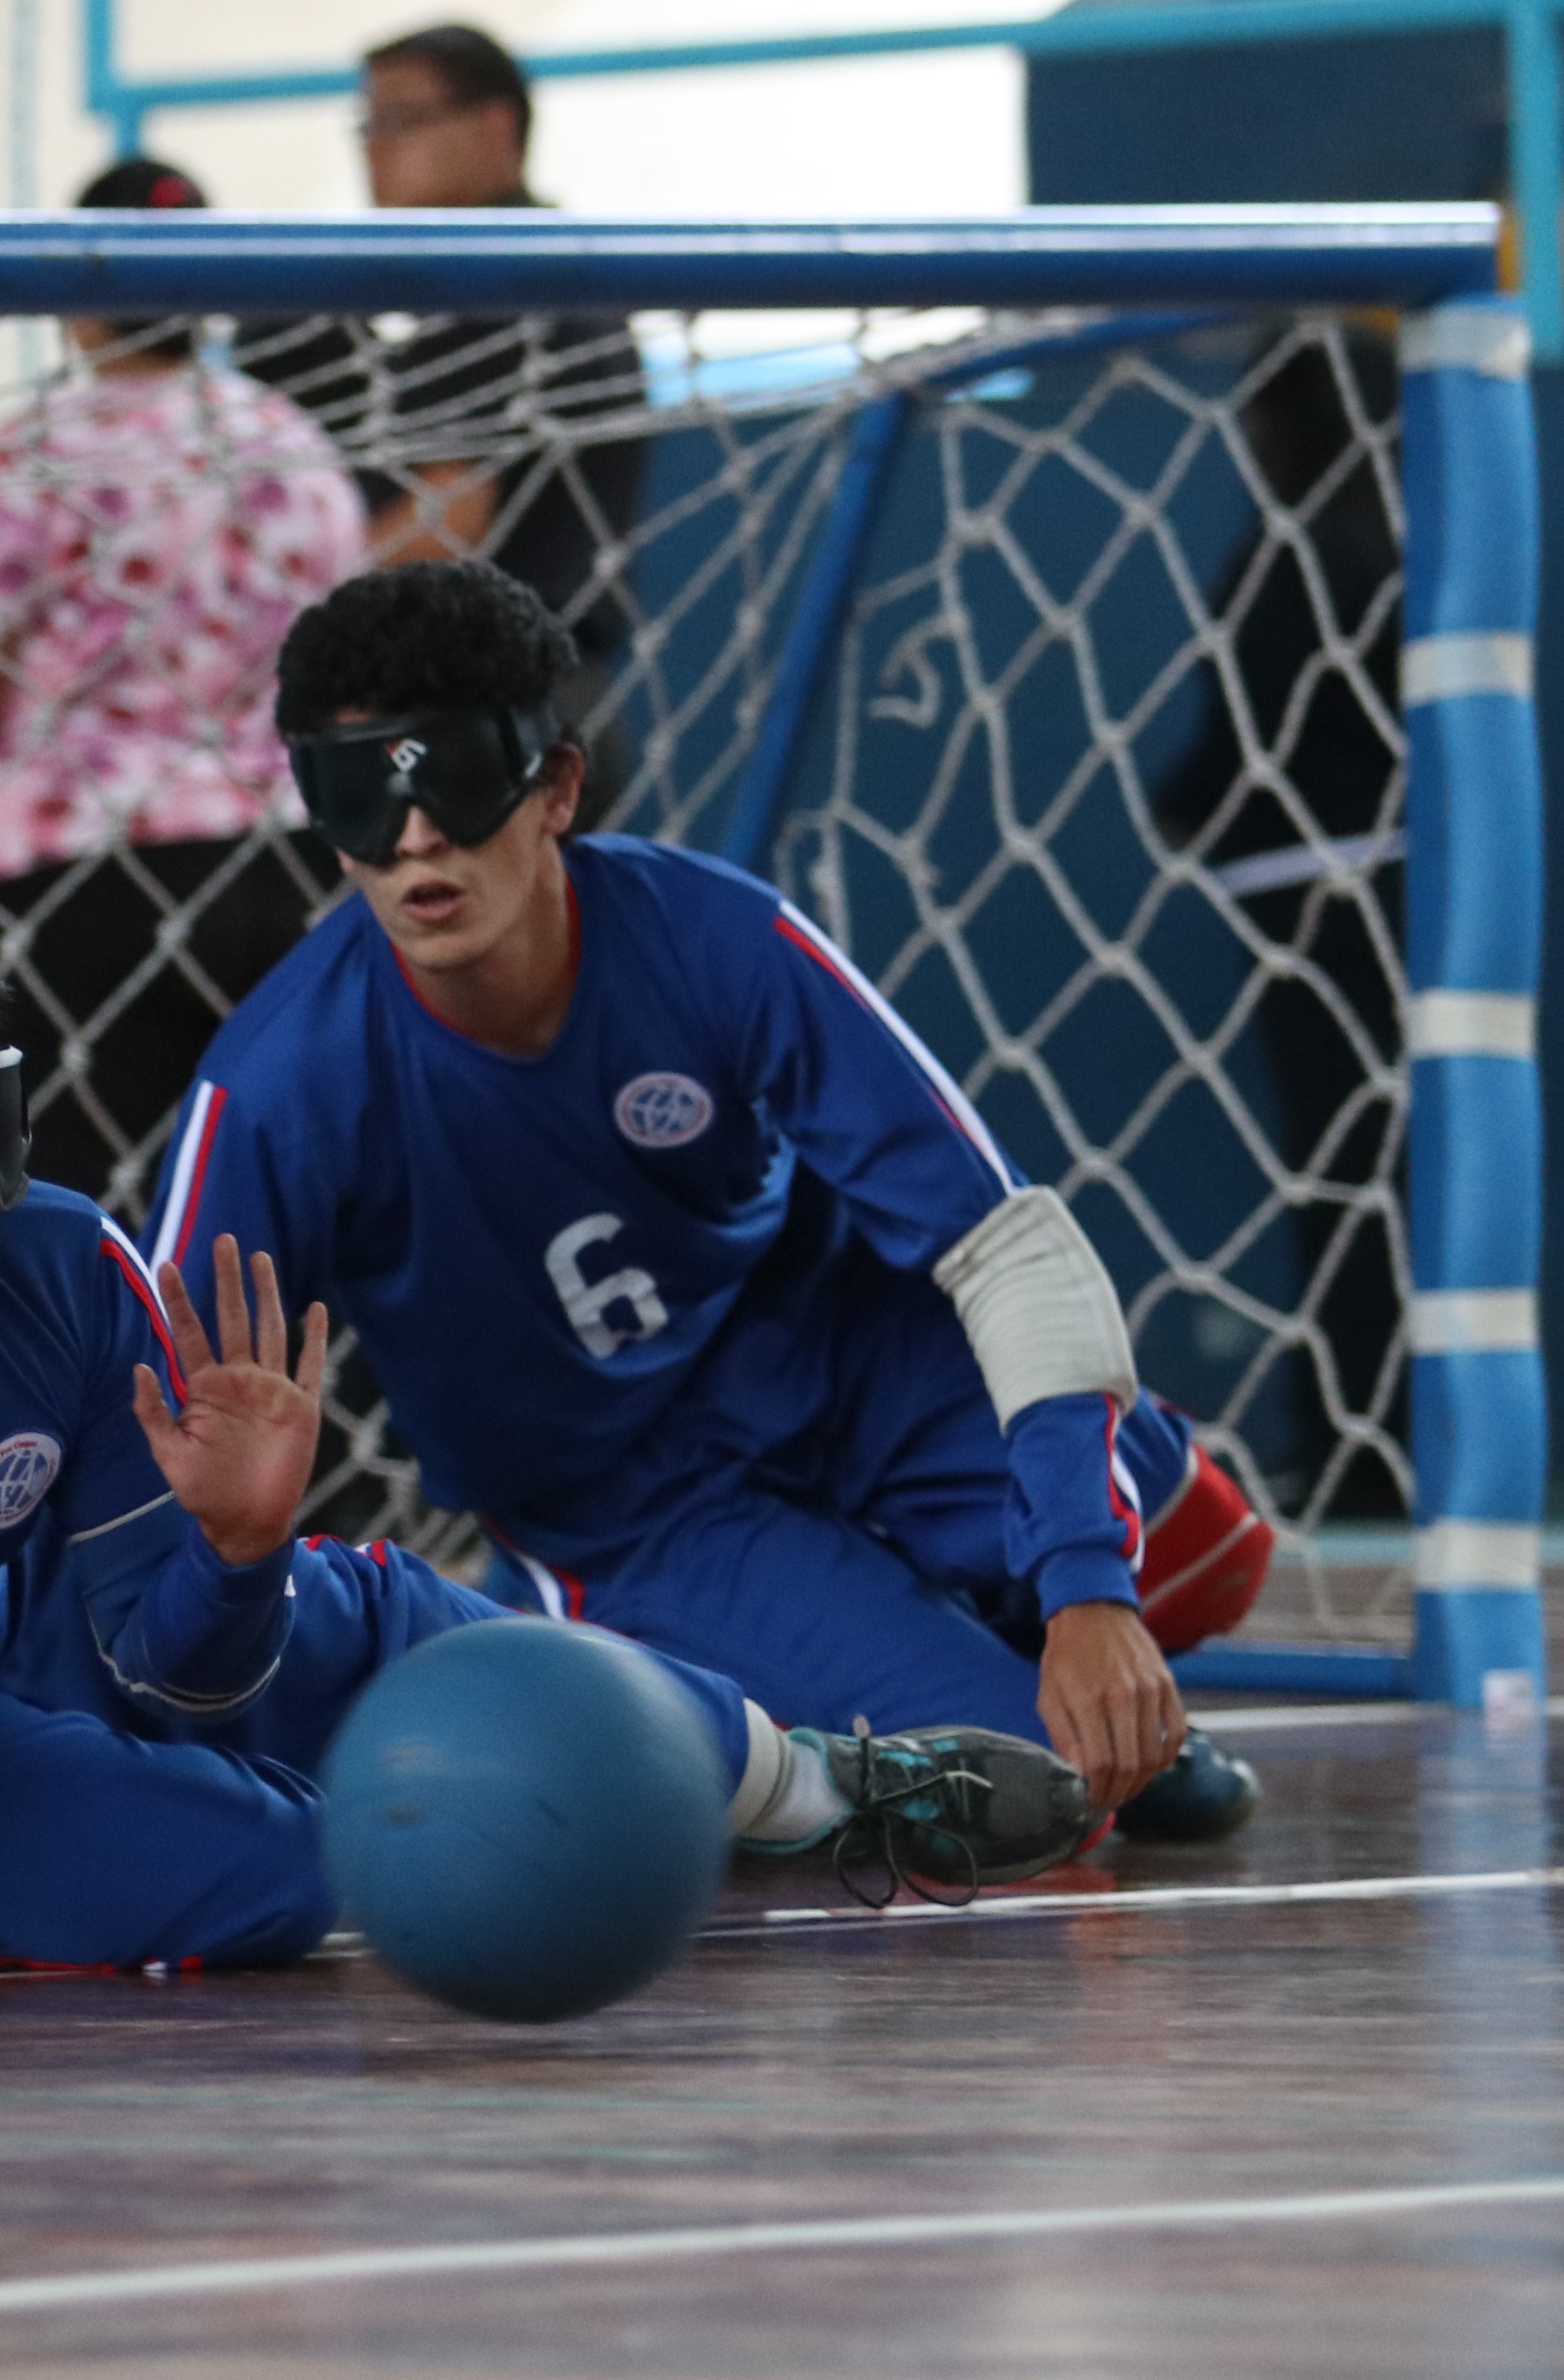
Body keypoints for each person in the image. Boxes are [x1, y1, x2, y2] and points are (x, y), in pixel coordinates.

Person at [0, 894, 1099, 1974]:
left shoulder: (60, 1271)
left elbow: (165, 1664)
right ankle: (492, 1849)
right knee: (265, 1882)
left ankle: (810, 1788)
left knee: (384, 1610)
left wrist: (239, 1559)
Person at [150, 560, 1274, 1840]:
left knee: (1205, 1550)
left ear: (556, 786)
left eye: (454, 786)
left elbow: (1004, 1240)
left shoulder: (713, 937)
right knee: (1026, 1795)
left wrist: (1086, 1584)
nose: (413, 843)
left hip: (842, 1362)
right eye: (361, 797)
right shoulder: (280, 1082)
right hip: (632, 1502)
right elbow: (154, 1408)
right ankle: (644, 1650)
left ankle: (969, 1637)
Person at [0, 159, 366, 1217]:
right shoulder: (289, 447)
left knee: (89, 1212)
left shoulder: (31, 456)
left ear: (74, 298)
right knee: (272, 1194)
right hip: (280, 860)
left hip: (72, 881)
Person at [242, 24, 649, 812]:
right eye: (367, 125)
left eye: (401, 120)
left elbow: (441, 522)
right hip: (535, 706)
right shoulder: (533, 279)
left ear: (493, 126)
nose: (375, 148)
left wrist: (268, 621)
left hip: (486, 713)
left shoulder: (505, 286)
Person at [1151, 328, 1405, 1520]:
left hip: (1311, 899)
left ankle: (1359, 1449)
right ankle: (1372, 1438)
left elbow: (1239, 758)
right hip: (1374, 893)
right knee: (1371, 1175)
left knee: (1342, 1174)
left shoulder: (1283, 558)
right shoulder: (1384, 552)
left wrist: (1182, 805)